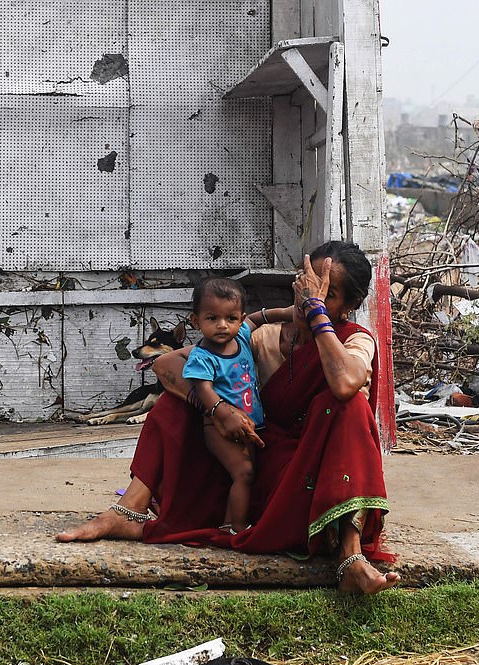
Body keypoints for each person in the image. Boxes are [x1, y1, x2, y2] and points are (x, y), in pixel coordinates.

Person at [56, 241, 400, 594]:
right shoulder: (260, 336)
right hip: (250, 464)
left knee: (350, 406)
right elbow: (167, 364)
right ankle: (128, 511)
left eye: (327, 295)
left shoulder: (355, 342)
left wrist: (315, 315)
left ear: (350, 306)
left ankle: (350, 556)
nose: (308, 298)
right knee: (179, 400)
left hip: (310, 482)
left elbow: (344, 384)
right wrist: (218, 408)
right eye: (307, 285)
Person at [182, 277, 288, 535]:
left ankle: (229, 522)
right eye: (212, 318)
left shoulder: (241, 337)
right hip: (219, 427)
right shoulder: (202, 356)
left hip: (251, 425)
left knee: (248, 473)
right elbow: (203, 389)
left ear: (239, 320)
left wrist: (286, 312)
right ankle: (238, 527)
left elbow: (257, 319)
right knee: (245, 473)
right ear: (196, 321)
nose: (222, 326)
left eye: (230, 318)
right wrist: (221, 413)